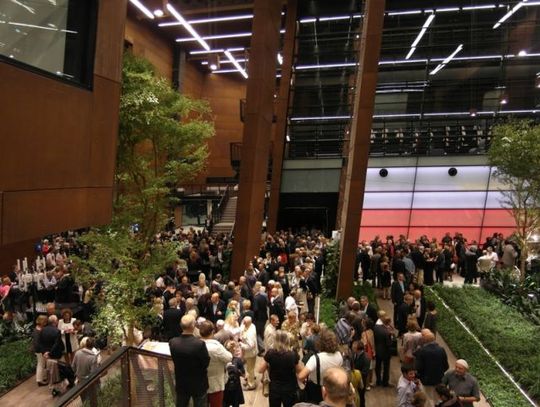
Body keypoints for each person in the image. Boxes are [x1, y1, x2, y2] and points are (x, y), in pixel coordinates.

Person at [169, 314, 210, 407]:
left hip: (181, 382)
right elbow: (205, 363)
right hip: (199, 383)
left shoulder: (173, 342)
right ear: (193, 326)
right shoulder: (199, 344)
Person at [298, 329, 343, 404]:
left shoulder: (315, 358)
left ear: (320, 343)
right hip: (332, 387)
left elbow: (301, 376)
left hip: (316, 389)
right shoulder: (339, 355)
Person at [259, 330, 302, 407]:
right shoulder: (292, 354)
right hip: (290, 388)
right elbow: (299, 370)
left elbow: (260, 370)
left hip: (275, 388)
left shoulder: (270, 353)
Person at [199, 320, 233, 407]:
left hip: (200, 382)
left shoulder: (196, 345)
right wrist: (228, 349)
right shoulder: (216, 347)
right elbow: (229, 357)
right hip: (215, 383)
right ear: (213, 332)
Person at [71, 337, 100, 404]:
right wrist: (98, 363)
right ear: (93, 346)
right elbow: (93, 373)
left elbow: (73, 367)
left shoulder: (77, 353)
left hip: (79, 380)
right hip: (89, 383)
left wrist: (77, 374)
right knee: (93, 400)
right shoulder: (93, 358)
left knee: (84, 400)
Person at [223, 340, 245, 407]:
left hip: (228, 387)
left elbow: (244, 375)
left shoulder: (223, 360)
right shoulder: (237, 360)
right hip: (232, 388)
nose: (236, 349)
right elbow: (244, 375)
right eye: (234, 347)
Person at [239, 316, 258, 390]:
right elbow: (242, 328)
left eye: (244, 322)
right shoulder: (252, 325)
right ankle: (249, 380)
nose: (243, 323)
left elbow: (251, 346)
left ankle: (251, 385)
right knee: (248, 368)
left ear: (247, 323)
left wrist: (241, 345)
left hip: (251, 353)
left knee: (250, 369)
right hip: (248, 353)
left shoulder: (250, 333)